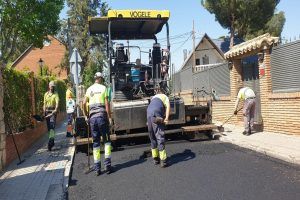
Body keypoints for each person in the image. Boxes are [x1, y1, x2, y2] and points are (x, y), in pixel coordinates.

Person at [83, 72, 112, 176]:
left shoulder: (89, 89)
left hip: (92, 119)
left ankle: (97, 169)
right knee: (106, 141)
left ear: (95, 78)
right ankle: (108, 166)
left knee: (95, 143)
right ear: (100, 79)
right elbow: (107, 104)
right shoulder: (104, 88)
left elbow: (83, 103)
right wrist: (109, 117)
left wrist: (86, 116)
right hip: (102, 117)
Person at [146, 88, 170, 168]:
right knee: (160, 136)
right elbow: (168, 107)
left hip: (149, 113)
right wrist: (166, 118)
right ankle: (163, 160)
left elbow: (151, 106)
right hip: (156, 114)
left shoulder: (154, 97)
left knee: (152, 137)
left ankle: (155, 158)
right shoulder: (165, 97)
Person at [43, 81, 59, 151]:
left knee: (52, 127)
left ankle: (50, 143)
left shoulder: (56, 94)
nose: (52, 87)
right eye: (52, 86)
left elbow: (57, 103)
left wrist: (56, 109)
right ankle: (52, 141)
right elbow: (44, 104)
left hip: (52, 112)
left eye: (53, 86)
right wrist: (44, 110)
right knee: (49, 128)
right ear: (49, 86)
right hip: (47, 112)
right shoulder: (46, 94)